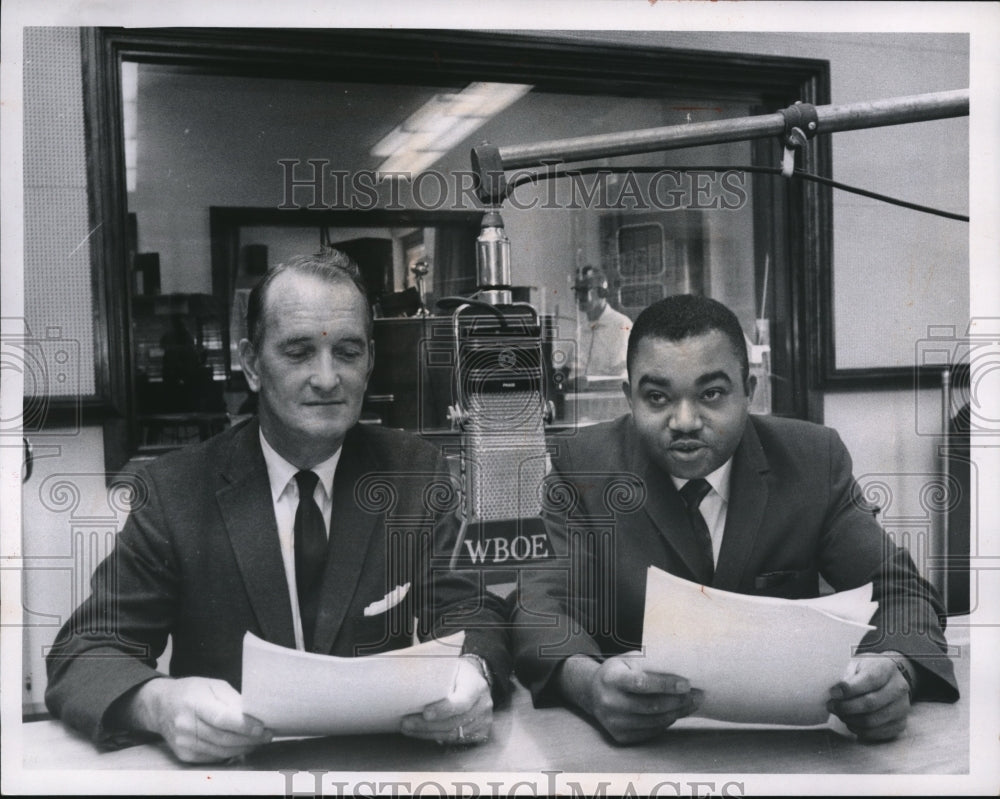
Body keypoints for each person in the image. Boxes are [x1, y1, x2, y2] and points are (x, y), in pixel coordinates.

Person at [46, 248, 511, 763]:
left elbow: (473, 611)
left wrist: (473, 674)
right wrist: (157, 704)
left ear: (371, 362)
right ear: (251, 363)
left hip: (377, 771)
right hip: (231, 773)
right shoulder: (175, 492)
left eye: (349, 352)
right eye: (298, 352)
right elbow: (84, 650)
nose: (328, 378)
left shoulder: (413, 473)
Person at [512, 293, 958, 745]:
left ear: (750, 391)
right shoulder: (580, 467)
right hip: (637, 754)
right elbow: (540, 606)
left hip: (791, 753)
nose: (684, 421)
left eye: (711, 394)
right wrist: (589, 687)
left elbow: (899, 591)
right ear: (629, 398)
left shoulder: (812, 462)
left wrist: (898, 669)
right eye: (657, 397)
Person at [557, 265, 631, 386]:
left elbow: (620, 374)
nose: (579, 298)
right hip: (577, 396)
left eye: (584, 291)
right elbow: (569, 367)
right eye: (577, 291)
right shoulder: (582, 328)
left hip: (604, 397)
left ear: (602, 292)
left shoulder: (621, 325)